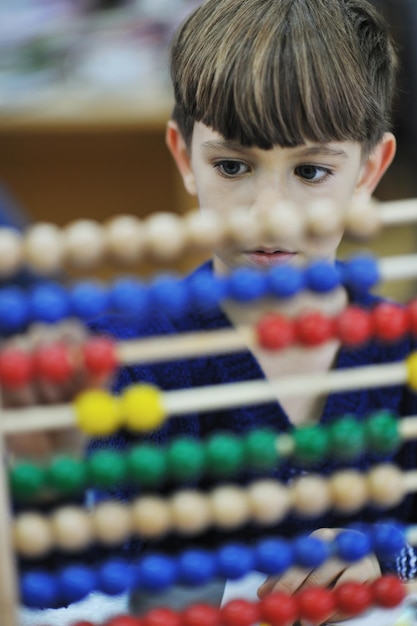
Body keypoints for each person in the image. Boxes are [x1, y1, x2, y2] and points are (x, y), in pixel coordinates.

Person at [13, 0, 417, 624]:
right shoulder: (129, 361)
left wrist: (389, 561)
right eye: (233, 166)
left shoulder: (400, 354)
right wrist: (47, 473)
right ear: (185, 158)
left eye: (311, 171)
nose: (269, 212)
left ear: (369, 170)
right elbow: (64, 582)